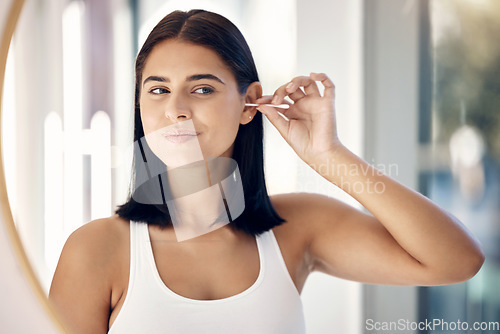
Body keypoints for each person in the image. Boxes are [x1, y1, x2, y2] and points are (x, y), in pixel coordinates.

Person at [48, 9, 485, 334]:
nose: (175, 110)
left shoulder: (299, 228)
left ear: (248, 102)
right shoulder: (96, 249)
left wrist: (329, 155)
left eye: (201, 88)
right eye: (158, 89)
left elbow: (458, 260)